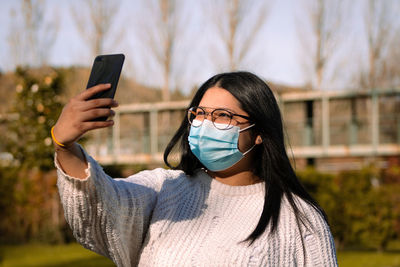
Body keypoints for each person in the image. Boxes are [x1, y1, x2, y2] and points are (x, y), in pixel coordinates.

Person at [52, 71, 338, 266]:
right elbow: (103, 206)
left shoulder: (301, 220)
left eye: (223, 116)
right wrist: (65, 146)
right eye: (199, 114)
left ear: (259, 131)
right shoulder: (163, 189)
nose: (205, 124)